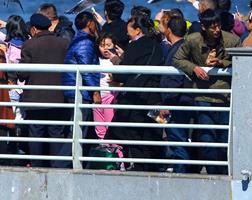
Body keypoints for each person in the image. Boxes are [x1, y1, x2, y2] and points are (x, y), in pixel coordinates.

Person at [172, 9, 240, 175]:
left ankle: (224, 174)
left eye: (218, 26)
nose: (217, 30)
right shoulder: (192, 40)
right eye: (212, 27)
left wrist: (221, 63)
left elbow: (241, 60)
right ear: (203, 26)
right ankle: (212, 173)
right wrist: (194, 68)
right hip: (202, 95)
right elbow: (177, 59)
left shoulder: (232, 41)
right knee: (207, 139)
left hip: (225, 96)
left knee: (224, 139)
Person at [110, 14, 165, 171]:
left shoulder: (134, 46)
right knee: (153, 133)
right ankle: (154, 166)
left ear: (137, 30)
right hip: (155, 97)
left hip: (136, 98)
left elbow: (123, 74)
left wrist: (116, 63)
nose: (127, 33)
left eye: (129, 30)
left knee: (131, 132)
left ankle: (140, 167)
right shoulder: (157, 45)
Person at [21, 12, 70, 168]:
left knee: (36, 133)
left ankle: (37, 167)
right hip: (58, 98)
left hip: (35, 99)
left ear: (34, 29)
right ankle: (56, 167)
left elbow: (23, 73)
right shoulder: (63, 43)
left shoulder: (29, 45)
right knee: (56, 133)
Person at [63, 11, 101, 164]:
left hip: (74, 90)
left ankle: (74, 163)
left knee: (79, 131)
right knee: (78, 132)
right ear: (90, 23)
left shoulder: (77, 39)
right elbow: (86, 69)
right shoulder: (85, 42)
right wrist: (95, 91)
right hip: (79, 92)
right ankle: (61, 163)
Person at [161, 14, 195, 172]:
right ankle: (181, 168)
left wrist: (166, 102)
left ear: (169, 30)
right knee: (179, 137)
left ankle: (181, 171)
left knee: (177, 138)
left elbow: (173, 79)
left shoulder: (176, 50)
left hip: (176, 101)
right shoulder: (186, 46)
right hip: (185, 99)